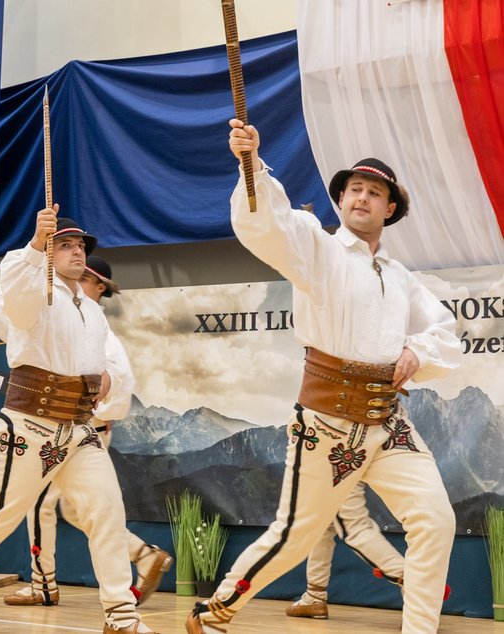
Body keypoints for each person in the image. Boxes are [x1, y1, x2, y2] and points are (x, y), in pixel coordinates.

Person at [185, 120, 460, 634]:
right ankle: (216, 611)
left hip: (388, 423)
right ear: (341, 199)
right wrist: (252, 166)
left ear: (390, 208)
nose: (362, 197)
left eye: (374, 192)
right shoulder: (319, 250)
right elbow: (269, 225)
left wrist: (417, 353)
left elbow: (445, 332)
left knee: (436, 521)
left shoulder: (401, 277)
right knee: (294, 535)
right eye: (354, 189)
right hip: (329, 423)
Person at [0, 212, 156, 634]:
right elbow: (18, 300)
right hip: (32, 422)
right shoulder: (34, 289)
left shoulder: (90, 312)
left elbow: (105, 370)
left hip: (79, 427)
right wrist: (34, 243)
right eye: (66, 245)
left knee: (107, 511)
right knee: (0, 516)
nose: (78, 250)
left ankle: (121, 615)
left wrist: (109, 382)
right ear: (47, 253)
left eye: (81, 246)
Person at [0, 256, 172, 608]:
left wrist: (90, 410)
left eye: (87, 279)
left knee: (37, 504)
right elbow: (19, 331)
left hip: (77, 431)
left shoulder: (94, 323)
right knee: (77, 511)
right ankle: (141, 555)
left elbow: (119, 378)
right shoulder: (62, 315)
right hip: (67, 428)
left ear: (97, 286)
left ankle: (43, 584)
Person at [285, 482, 404, 619]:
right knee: (322, 522)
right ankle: (314, 596)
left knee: (354, 527)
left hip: (334, 464)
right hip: (337, 465)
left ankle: (418, 583)